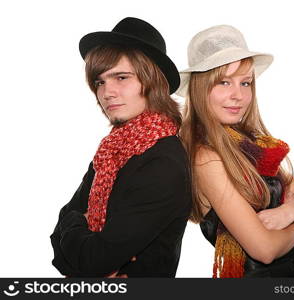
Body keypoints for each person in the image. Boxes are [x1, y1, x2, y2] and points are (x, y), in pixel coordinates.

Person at [178, 25, 294, 278]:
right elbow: (263, 249)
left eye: (245, 83)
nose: (239, 96)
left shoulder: (249, 146)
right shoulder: (205, 157)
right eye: (224, 82)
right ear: (200, 88)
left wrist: (290, 211)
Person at [50, 17, 191, 277]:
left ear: (153, 81)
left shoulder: (162, 161)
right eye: (100, 81)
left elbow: (94, 260)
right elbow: (57, 241)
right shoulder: (112, 151)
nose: (107, 92)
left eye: (121, 77)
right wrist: (75, 228)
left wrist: (74, 225)